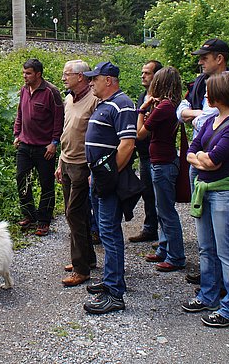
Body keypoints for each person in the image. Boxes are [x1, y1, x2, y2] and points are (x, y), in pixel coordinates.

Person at [182, 71, 229, 328]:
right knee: (206, 248)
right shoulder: (211, 119)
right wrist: (201, 156)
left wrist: (203, 157)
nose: (204, 94)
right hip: (205, 190)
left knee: (227, 253)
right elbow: (192, 151)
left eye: (208, 90)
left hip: (224, 193)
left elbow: (214, 161)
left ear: (219, 94)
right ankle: (208, 295)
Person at [177, 37, 229, 285]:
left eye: (204, 58)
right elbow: (182, 112)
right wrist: (200, 155)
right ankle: (209, 287)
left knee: (224, 247)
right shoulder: (200, 83)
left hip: (222, 185)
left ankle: (227, 296)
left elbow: (214, 160)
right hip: (203, 176)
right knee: (206, 243)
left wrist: (195, 117)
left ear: (220, 59)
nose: (200, 62)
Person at [82, 62, 138, 314]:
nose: (91, 82)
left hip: (108, 180)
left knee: (109, 233)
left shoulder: (122, 104)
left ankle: (115, 292)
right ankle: (109, 280)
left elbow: (127, 144)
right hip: (100, 178)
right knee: (105, 233)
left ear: (109, 80)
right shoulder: (106, 104)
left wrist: (108, 176)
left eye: (95, 78)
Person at [136, 66, 186, 272]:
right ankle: (164, 249)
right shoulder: (171, 105)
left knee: (167, 212)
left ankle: (176, 256)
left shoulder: (163, 107)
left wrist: (142, 109)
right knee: (162, 209)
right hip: (166, 161)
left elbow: (140, 133)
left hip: (162, 163)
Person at [55, 60, 99, 287]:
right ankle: (87, 258)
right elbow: (66, 131)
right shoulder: (69, 99)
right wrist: (61, 162)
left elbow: (96, 136)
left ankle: (81, 269)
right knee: (75, 213)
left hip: (83, 164)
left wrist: (93, 168)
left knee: (74, 213)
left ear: (80, 77)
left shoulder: (94, 100)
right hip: (67, 161)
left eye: (67, 74)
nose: (63, 78)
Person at [14, 58, 65, 236]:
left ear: (38, 74)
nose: (25, 76)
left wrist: (54, 142)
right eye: (23, 72)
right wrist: (17, 134)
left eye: (28, 73)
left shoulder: (51, 92)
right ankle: (29, 215)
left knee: (46, 184)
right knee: (22, 179)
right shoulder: (24, 90)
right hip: (25, 145)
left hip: (45, 148)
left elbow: (59, 119)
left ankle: (44, 220)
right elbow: (20, 113)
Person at [128, 60, 162, 244]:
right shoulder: (143, 96)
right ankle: (150, 228)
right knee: (147, 192)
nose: (143, 75)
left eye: (147, 73)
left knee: (160, 197)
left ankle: (164, 237)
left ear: (157, 75)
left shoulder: (161, 99)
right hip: (143, 153)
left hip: (156, 154)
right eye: (142, 72)